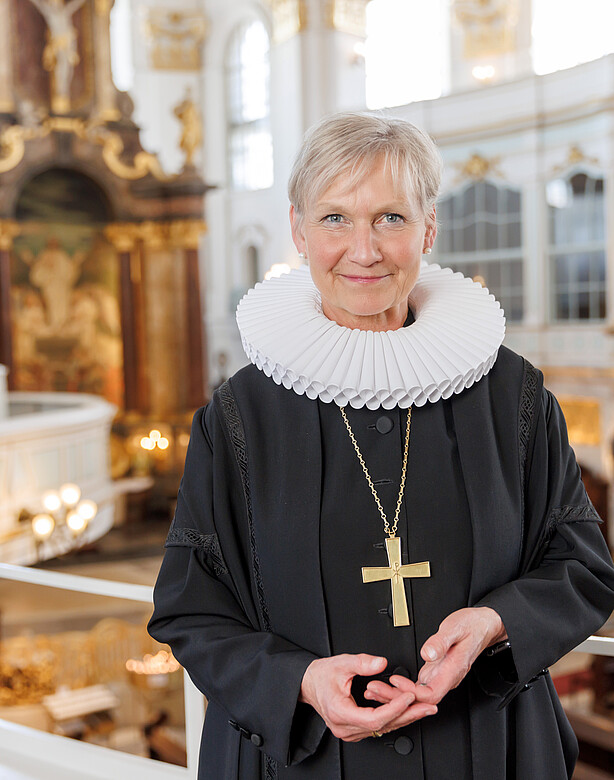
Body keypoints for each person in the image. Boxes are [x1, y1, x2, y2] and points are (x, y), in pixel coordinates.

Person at [148, 113, 614, 779]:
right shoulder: (238, 415)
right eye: (335, 218)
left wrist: (494, 622)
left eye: (390, 218)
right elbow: (191, 609)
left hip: (491, 753)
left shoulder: (513, 394)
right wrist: (300, 682)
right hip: (304, 762)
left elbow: (583, 565)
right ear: (298, 231)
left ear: (428, 227)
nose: (363, 250)